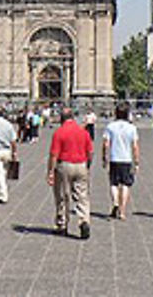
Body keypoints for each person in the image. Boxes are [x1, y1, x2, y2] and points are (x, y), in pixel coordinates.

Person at [47, 107, 93, 239]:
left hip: (64, 165)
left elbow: (54, 155)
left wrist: (50, 171)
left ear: (61, 118)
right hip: (81, 165)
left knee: (62, 195)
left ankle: (62, 225)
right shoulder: (83, 132)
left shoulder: (59, 132)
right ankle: (84, 221)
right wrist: (87, 165)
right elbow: (90, 152)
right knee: (82, 196)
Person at [102, 102, 139, 220]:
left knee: (113, 184)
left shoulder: (110, 126)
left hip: (114, 158)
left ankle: (115, 203)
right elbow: (135, 146)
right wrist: (136, 161)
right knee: (126, 185)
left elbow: (106, 144)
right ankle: (122, 211)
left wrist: (104, 157)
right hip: (126, 159)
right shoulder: (132, 128)